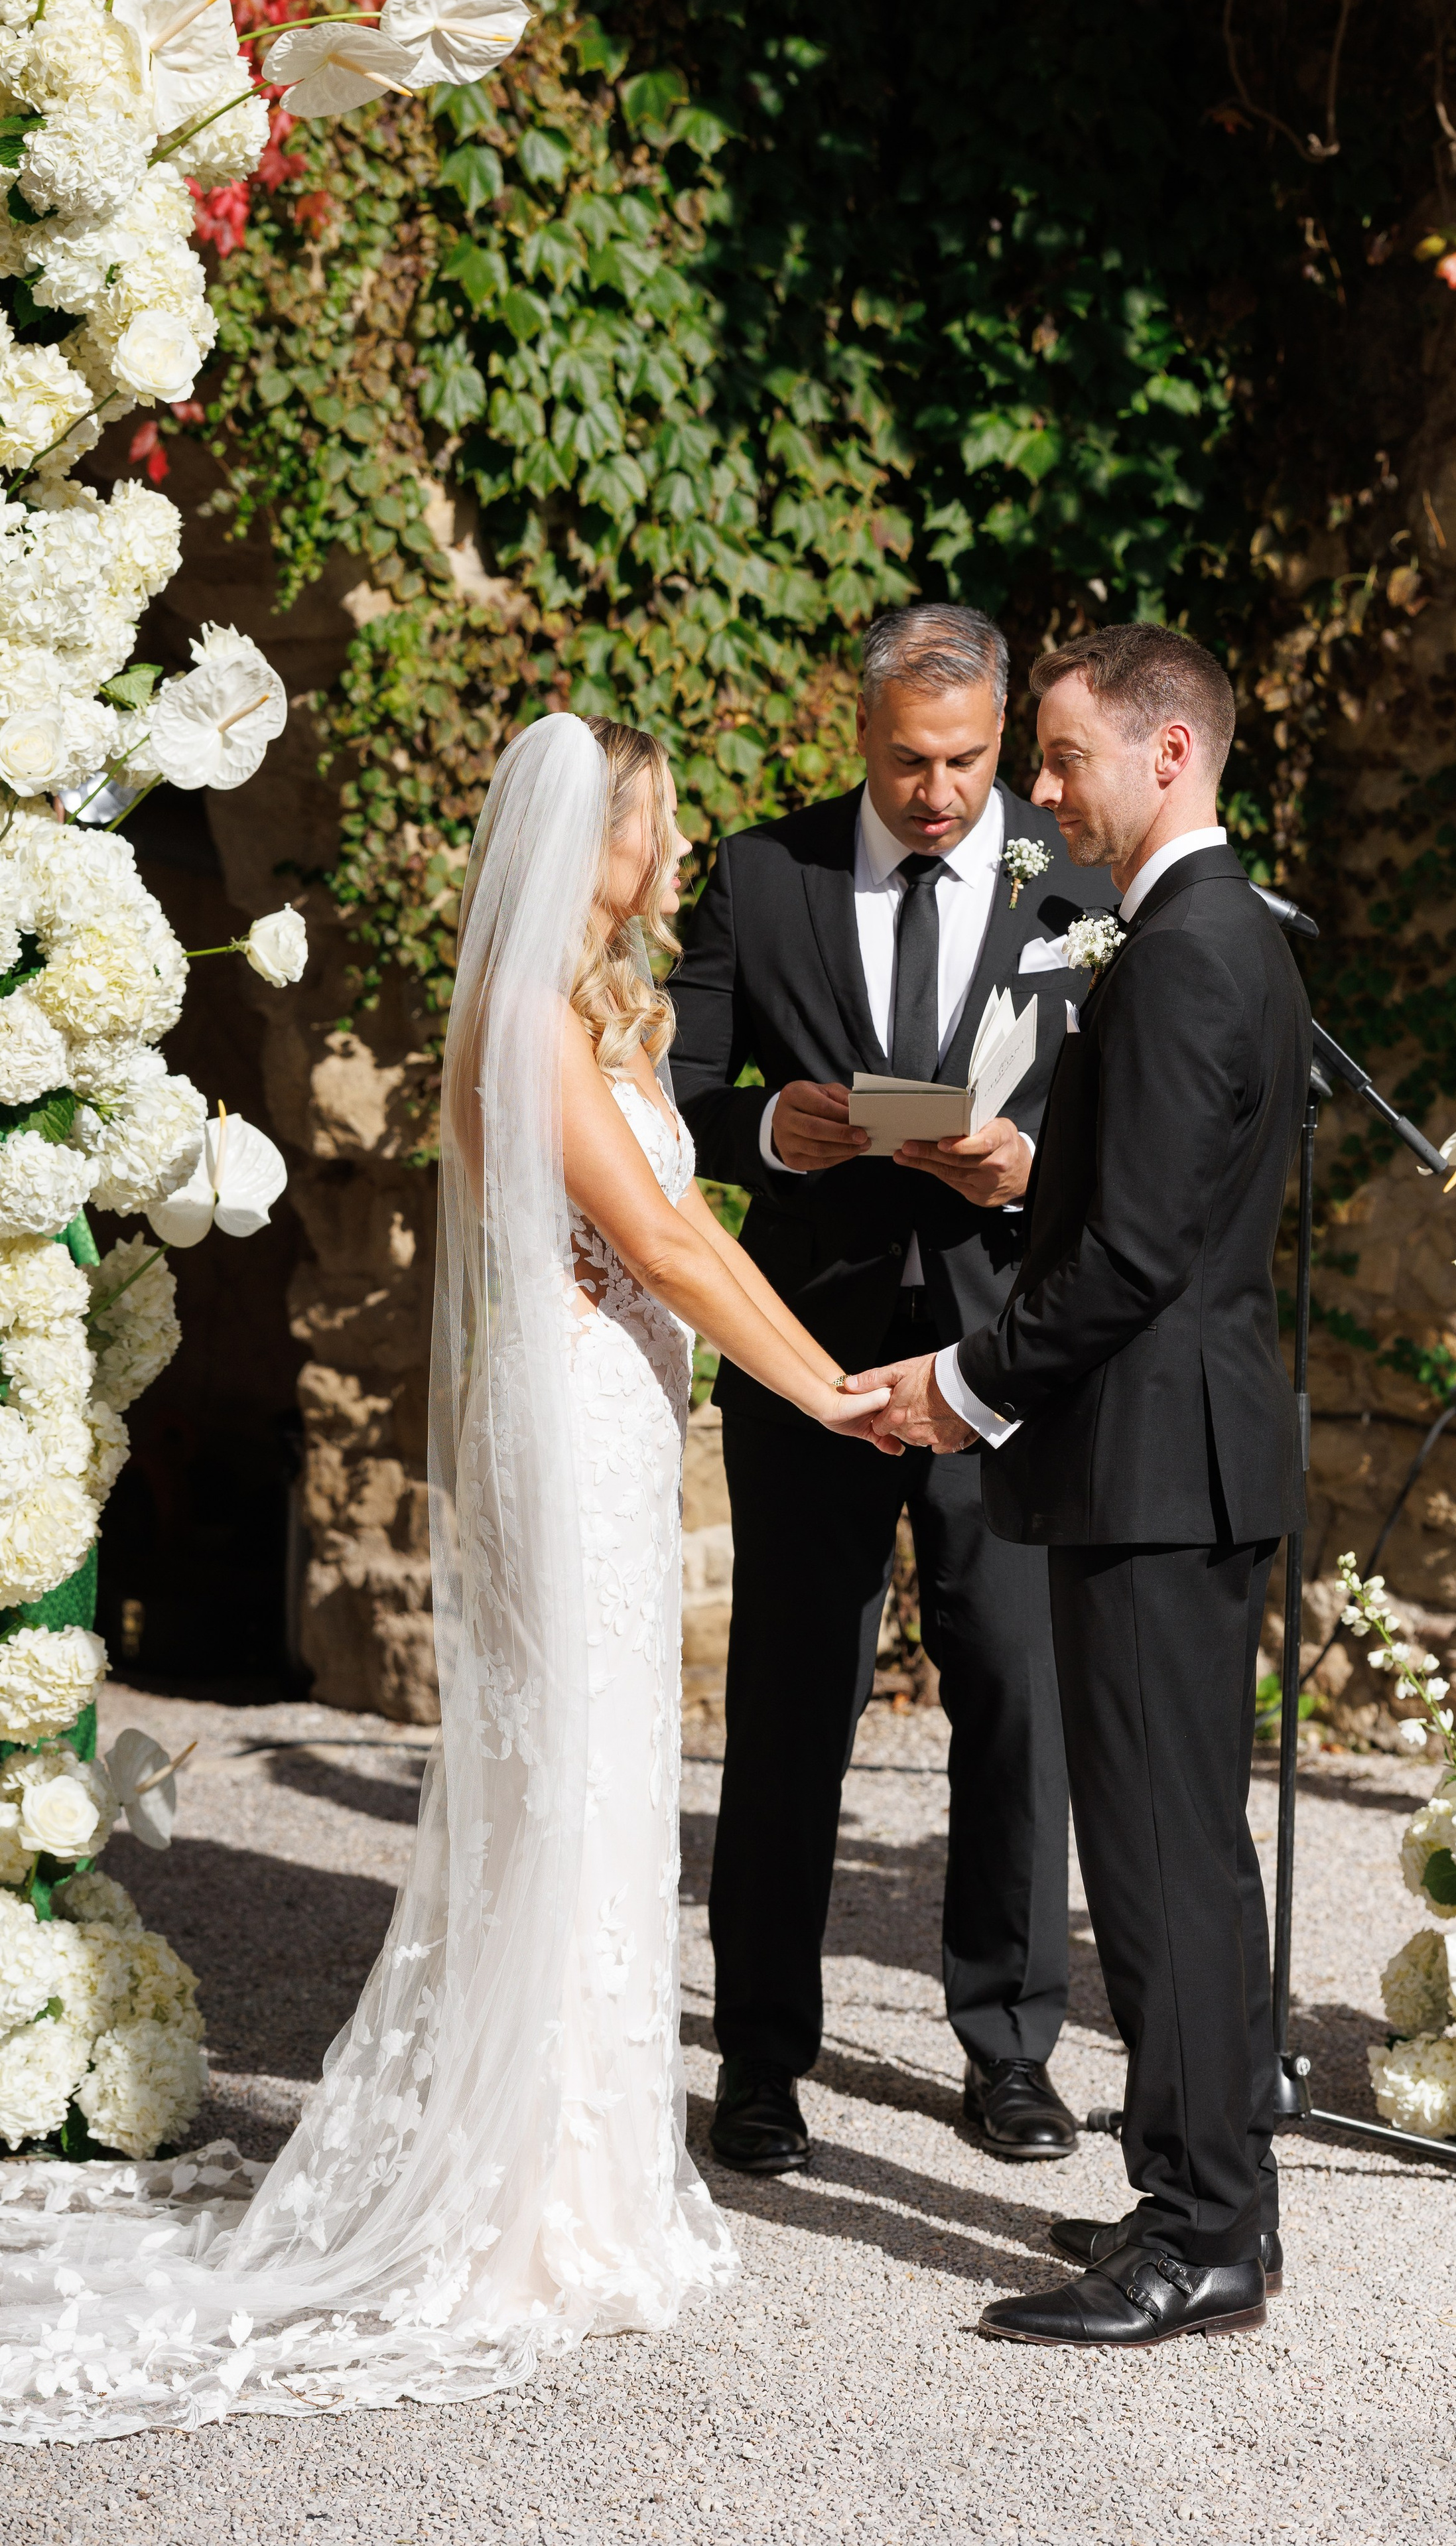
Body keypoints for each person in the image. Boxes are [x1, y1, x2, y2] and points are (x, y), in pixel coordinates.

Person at [0, 713, 892, 2441]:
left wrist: (816, 1387)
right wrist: (833, 1392)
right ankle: (542, 2207)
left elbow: (682, 1240)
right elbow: (663, 1239)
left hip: (622, 1409)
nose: (678, 845)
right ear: (598, 839)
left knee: (616, 1776)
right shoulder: (531, 1026)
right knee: (574, 1781)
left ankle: (593, 2171)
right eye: (661, 820)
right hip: (575, 1415)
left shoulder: (586, 1015)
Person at [847, 623, 1310, 2348]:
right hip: (1170, 1458)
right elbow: (1134, 1216)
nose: (1041, 795)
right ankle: (1213, 2207)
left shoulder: (1191, 949)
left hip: (1156, 1464)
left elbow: (1129, 1265)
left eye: (1062, 758)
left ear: (1168, 754)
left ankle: (1198, 2234)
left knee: (1165, 1861)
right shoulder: (1206, 936)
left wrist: (961, 1393)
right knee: (1180, 1851)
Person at [667, 604, 1120, 2173]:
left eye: (968, 761)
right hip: (809, 1351)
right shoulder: (758, 872)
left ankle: (1008, 2047)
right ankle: (760, 2062)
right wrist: (762, 1135)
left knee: (1013, 1696)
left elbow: (1139, 1116)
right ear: (855, 733)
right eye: (908, 761)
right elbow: (669, 1091)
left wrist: (1027, 1161)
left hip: (1006, 1354)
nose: (937, 793)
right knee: (791, 1704)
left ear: (1001, 738)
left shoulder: (1074, 877)